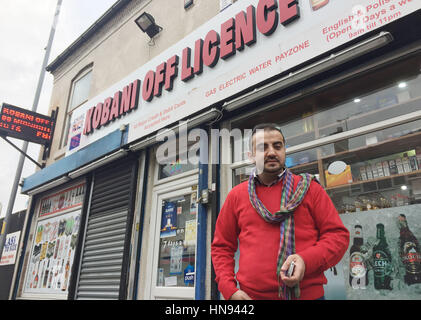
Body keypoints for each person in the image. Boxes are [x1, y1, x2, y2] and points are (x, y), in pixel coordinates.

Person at [211, 123, 350, 300]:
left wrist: (305, 260)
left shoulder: (309, 189)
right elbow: (222, 247)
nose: (271, 152)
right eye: (262, 147)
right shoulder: (236, 196)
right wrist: (229, 290)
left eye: (277, 146)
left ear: (284, 150)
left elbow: (338, 237)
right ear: (251, 156)